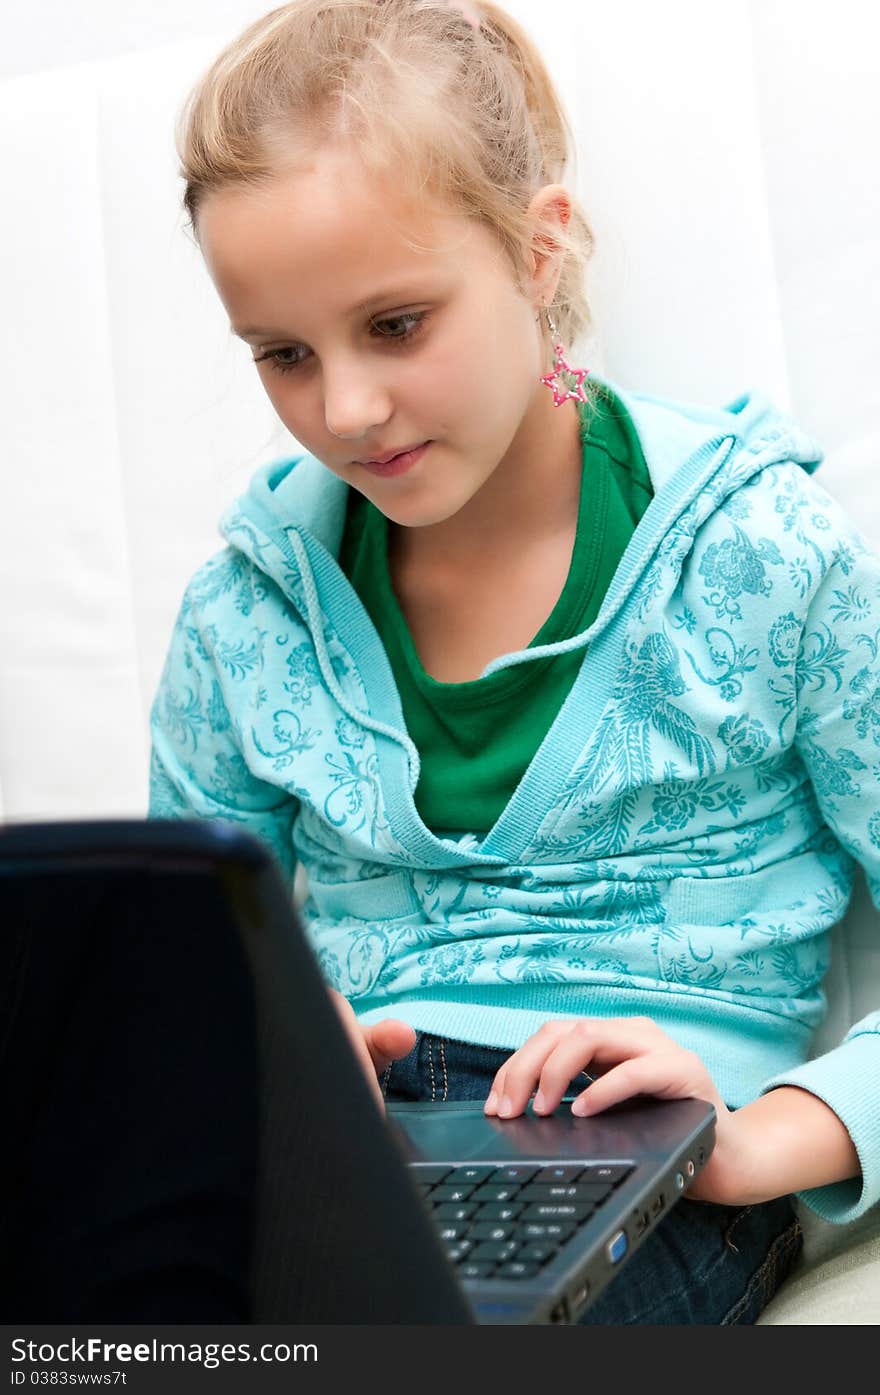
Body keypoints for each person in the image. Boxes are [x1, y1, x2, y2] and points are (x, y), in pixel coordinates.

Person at [149, 0, 877, 1324]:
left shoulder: (764, 555)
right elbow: (177, 974)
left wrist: (769, 1134)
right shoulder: (241, 620)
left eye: (397, 324)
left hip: (657, 1150)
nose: (346, 409)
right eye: (284, 354)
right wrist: (280, 1055)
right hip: (350, 1155)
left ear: (539, 253)